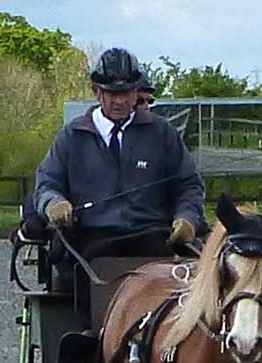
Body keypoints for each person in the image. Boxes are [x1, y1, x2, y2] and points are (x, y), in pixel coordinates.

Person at [31, 47, 206, 293]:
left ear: (136, 91)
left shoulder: (163, 134)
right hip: (92, 241)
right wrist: (54, 204)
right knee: (84, 272)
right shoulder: (71, 137)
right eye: (113, 94)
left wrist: (187, 217)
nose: (121, 101)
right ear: (96, 92)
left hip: (153, 238)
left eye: (127, 92)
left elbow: (189, 185)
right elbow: (47, 184)